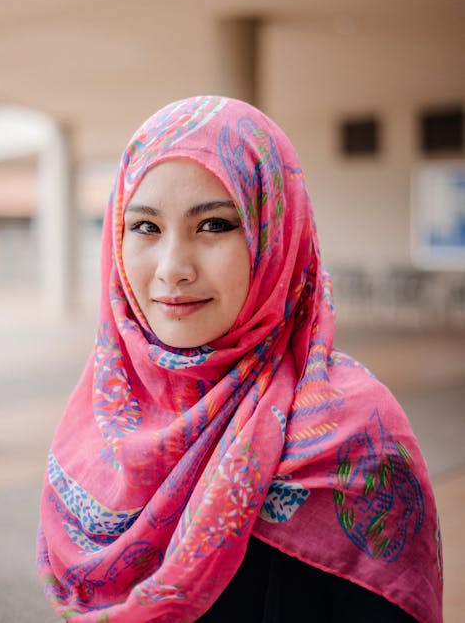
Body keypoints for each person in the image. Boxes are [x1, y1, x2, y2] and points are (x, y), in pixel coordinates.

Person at [37, 96, 443, 622]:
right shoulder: (98, 418)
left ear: (275, 234)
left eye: (214, 226)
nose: (173, 267)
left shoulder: (354, 431)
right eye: (145, 227)